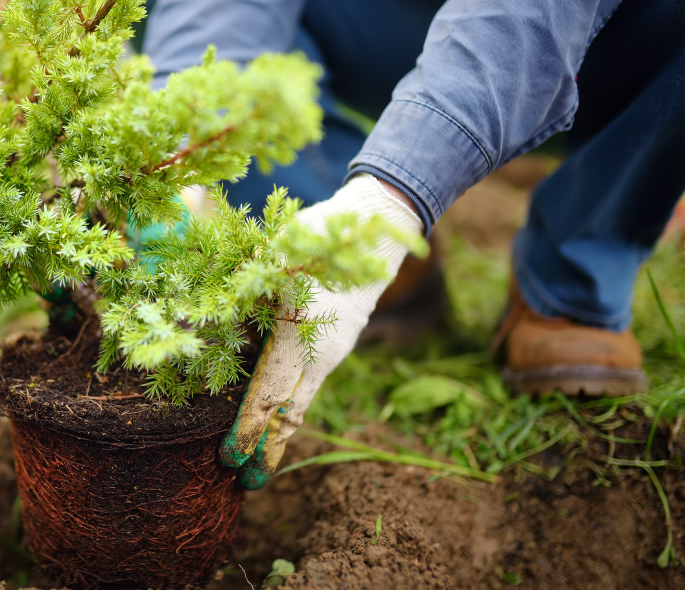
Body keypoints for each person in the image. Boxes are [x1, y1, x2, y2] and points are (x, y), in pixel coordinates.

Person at [142, 0, 685, 489]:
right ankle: (331, 224)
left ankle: (576, 269)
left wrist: (393, 199)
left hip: (595, 38)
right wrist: (182, 135)